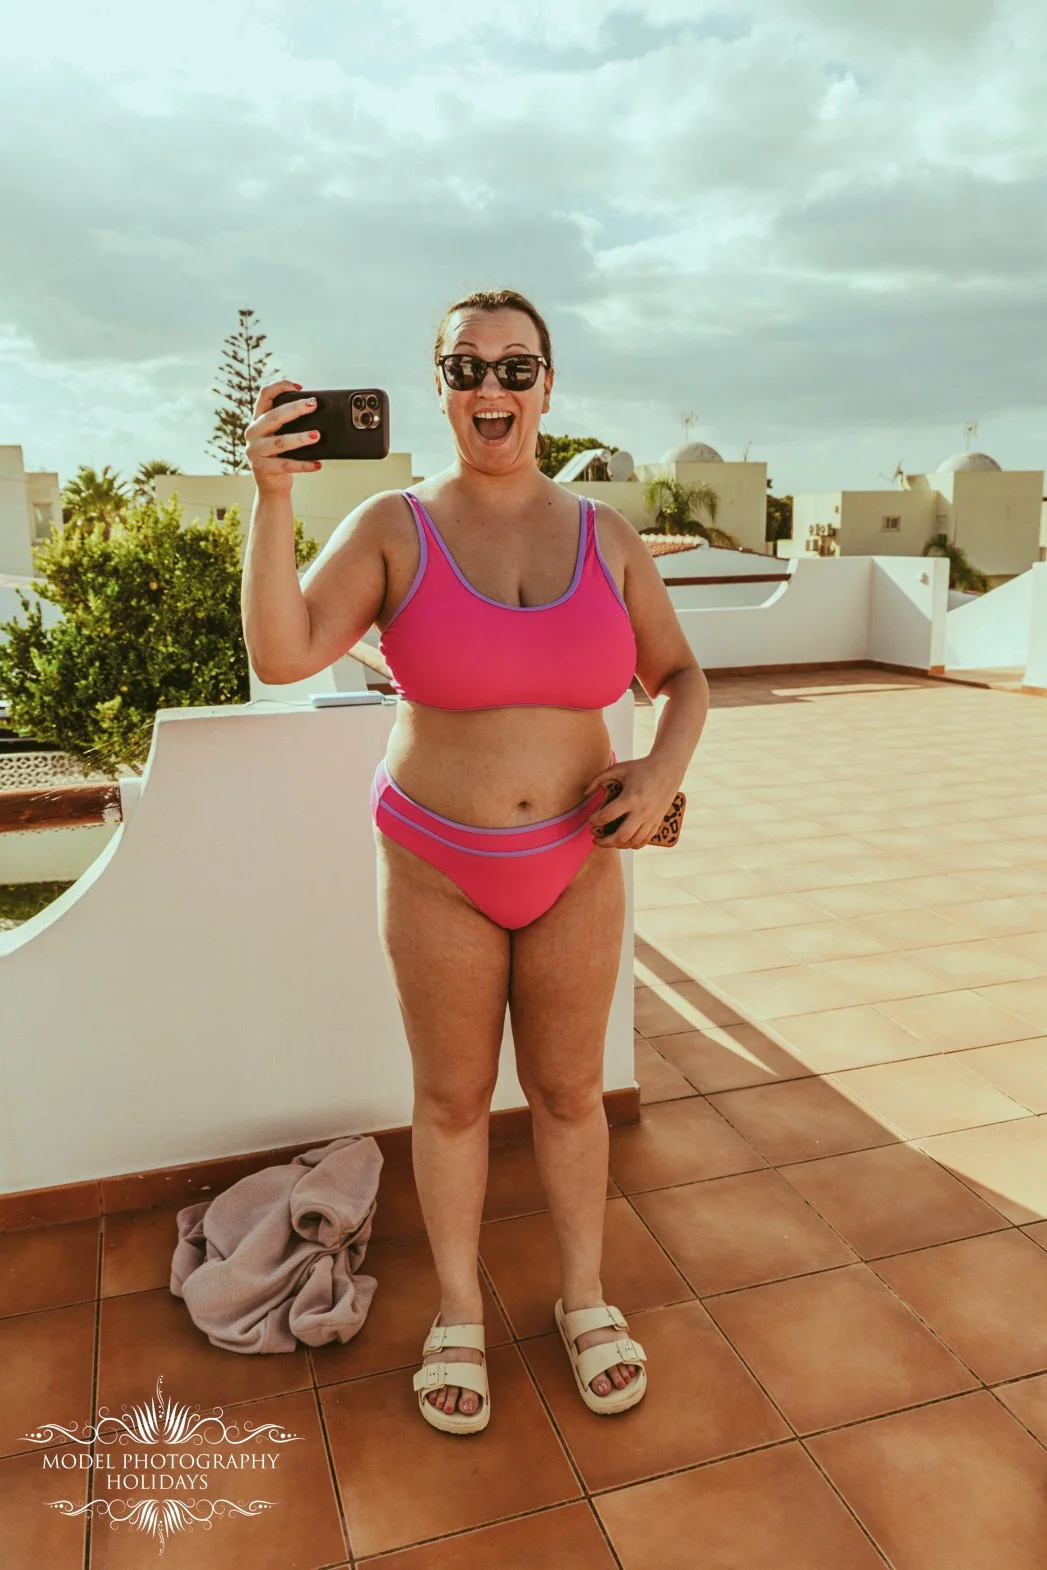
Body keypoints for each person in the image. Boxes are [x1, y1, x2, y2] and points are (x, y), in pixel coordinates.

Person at [241, 288, 709, 1435]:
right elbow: (283, 648)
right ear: (440, 386)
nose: (489, 388)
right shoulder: (394, 528)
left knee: (567, 1095)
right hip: (439, 863)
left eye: (514, 367)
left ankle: (584, 1295)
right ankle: (458, 1308)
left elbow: (684, 678)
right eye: (465, 368)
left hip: (577, 864)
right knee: (451, 1102)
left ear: (550, 385)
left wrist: (655, 775)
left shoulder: (607, 536)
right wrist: (271, 499)